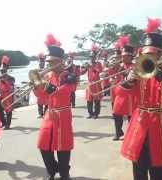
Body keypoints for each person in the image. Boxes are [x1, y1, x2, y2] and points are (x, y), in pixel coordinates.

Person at [120, 18, 162, 180]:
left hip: (159, 125)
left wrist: (156, 72)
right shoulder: (138, 72)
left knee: (159, 170)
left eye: (152, 54)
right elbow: (121, 96)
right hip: (139, 124)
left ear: (159, 54)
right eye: (145, 54)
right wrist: (128, 80)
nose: (148, 57)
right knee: (139, 168)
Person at [36, 34, 76, 180]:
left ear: (60, 62)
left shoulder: (69, 76)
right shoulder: (48, 76)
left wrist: (46, 87)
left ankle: (64, 172)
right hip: (50, 113)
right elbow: (41, 96)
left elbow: (64, 92)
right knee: (43, 145)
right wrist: (35, 87)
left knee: (63, 147)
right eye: (49, 62)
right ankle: (52, 170)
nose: (49, 65)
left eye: (52, 62)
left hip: (63, 114)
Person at [111, 36, 136, 141]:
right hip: (119, 94)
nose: (123, 57)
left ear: (130, 56)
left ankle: (131, 134)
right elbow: (110, 74)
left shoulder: (135, 66)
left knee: (131, 116)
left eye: (125, 56)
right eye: (122, 55)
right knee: (116, 114)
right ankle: (118, 132)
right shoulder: (119, 65)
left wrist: (128, 72)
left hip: (131, 94)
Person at [80, 43, 103, 119]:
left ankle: (96, 114)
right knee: (89, 100)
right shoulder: (88, 64)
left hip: (96, 84)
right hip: (90, 84)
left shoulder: (98, 64)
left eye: (92, 56)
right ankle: (90, 113)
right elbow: (82, 72)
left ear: (95, 57)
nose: (91, 58)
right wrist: (83, 68)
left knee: (97, 100)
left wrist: (92, 67)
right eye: (90, 57)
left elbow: (99, 71)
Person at [0, 55, 15, 129]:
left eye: (3, 70)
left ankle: (7, 124)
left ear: (6, 70)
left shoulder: (11, 78)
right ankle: (3, 122)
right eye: (1, 70)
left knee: (8, 110)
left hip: (8, 95)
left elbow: (11, 88)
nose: (2, 71)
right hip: (1, 94)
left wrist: (4, 81)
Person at [33, 53, 48, 118]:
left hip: (45, 86)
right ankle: (40, 114)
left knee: (47, 101)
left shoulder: (47, 69)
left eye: (42, 62)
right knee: (39, 101)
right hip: (39, 87)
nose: (41, 63)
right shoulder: (36, 70)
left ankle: (46, 113)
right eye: (40, 62)